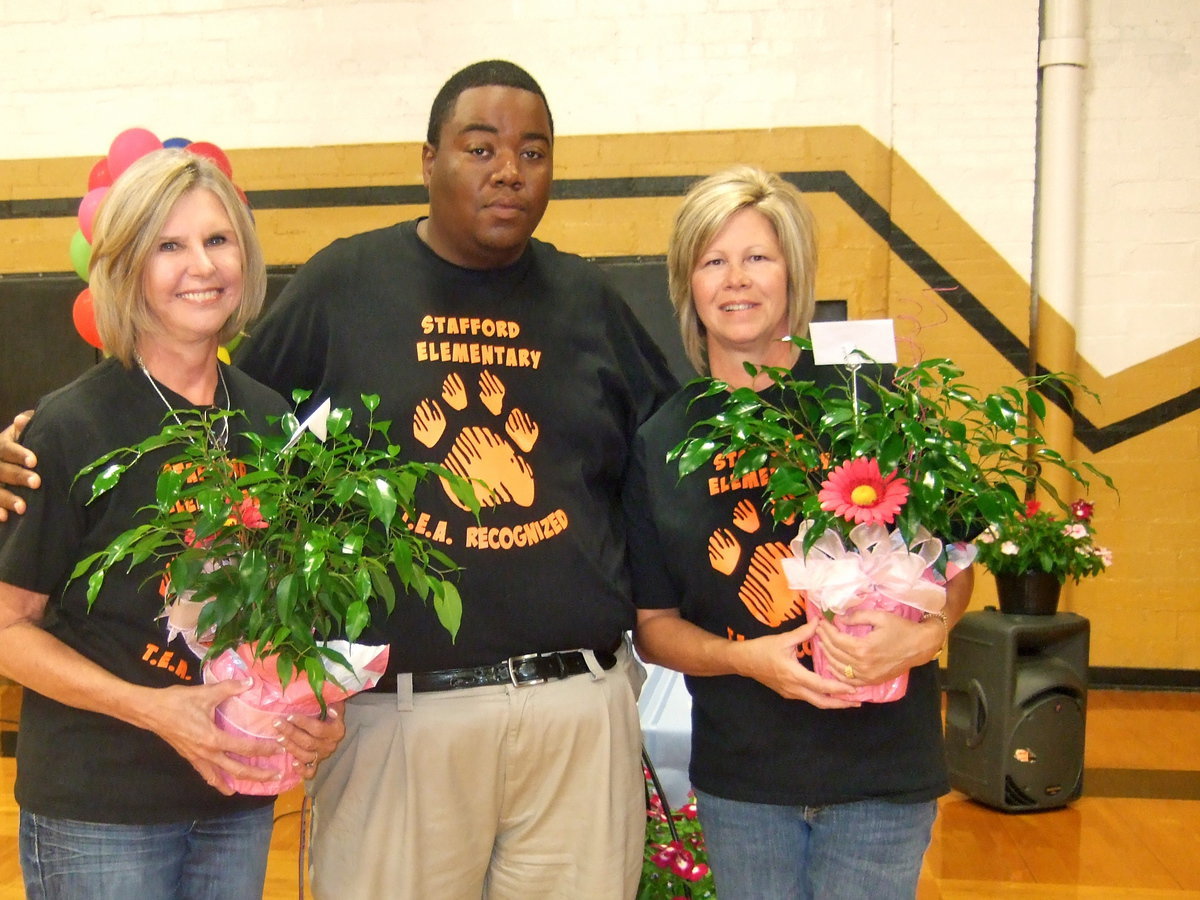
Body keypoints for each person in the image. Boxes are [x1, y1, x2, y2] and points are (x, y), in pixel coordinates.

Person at [0, 61, 678, 898]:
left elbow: (672, 456)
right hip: (376, 726)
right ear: (427, 160)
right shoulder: (337, 290)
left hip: (556, 712)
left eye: (534, 151)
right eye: (480, 147)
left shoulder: (588, 301)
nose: (509, 168)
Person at [0, 149, 345, 899]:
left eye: (218, 241)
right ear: (126, 266)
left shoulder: (270, 423)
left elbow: (290, 617)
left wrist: (317, 707)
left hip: (237, 795)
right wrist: (152, 710)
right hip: (102, 811)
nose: (202, 265)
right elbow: (5, 628)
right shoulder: (69, 426)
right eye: (170, 245)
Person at [624, 165, 974, 900]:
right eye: (713, 261)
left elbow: (958, 556)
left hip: (881, 772)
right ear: (688, 283)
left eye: (758, 257)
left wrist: (931, 629)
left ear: (793, 273)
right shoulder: (662, 441)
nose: (736, 280)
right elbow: (654, 627)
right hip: (745, 780)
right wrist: (750, 658)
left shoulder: (866, 395)